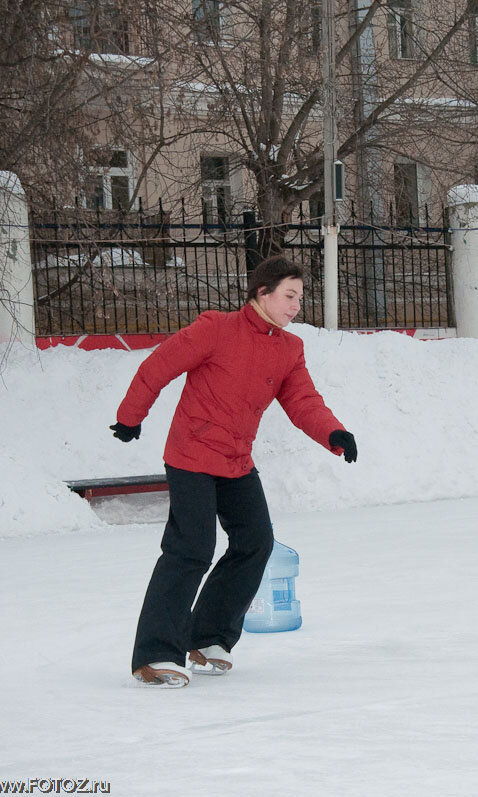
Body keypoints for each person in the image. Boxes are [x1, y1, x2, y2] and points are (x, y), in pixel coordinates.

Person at [110, 255, 358, 688]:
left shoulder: (288, 348)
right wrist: (132, 416)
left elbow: (303, 402)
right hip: (191, 454)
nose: (297, 305)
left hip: (236, 460)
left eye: (300, 297)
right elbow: (158, 366)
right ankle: (155, 653)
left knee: (255, 542)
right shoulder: (216, 329)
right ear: (262, 292)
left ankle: (206, 638)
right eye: (289, 295)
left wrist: (334, 433)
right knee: (191, 548)